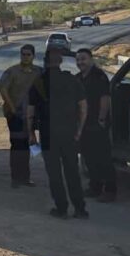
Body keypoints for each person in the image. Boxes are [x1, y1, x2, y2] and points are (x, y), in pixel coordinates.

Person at [28, 46, 88, 218]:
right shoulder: (72, 80)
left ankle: (61, 208)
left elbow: (30, 112)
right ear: (61, 61)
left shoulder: (38, 82)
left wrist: (31, 133)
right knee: (72, 171)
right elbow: (83, 107)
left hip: (48, 134)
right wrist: (79, 130)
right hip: (69, 133)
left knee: (54, 172)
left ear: (45, 62)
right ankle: (80, 208)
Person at [75, 48, 118, 202]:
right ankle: (95, 186)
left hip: (97, 123)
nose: (80, 62)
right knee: (88, 157)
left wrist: (101, 119)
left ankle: (110, 190)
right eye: (78, 60)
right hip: (83, 124)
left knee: (103, 157)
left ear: (91, 59)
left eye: (83, 59)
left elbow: (105, 99)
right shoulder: (78, 78)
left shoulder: (99, 77)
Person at [0, 44, 42, 187]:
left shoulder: (39, 72)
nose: (25, 57)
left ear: (33, 56)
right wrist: (12, 108)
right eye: (23, 54)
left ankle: (25, 177)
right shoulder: (13, 71)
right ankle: (16, 178)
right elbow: (2, 88)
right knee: (17, 146)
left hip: (31, 116)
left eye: (28, 54)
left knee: (27, 145)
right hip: (15, 115)